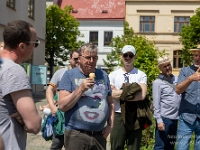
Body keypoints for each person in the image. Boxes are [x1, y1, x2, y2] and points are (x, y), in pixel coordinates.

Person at [58, 43, 114, 150]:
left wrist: (110, 125)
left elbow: (110, 102)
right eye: (88, 57)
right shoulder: (69, 75)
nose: (92, 61)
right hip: (76, 135)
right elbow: (62, 106)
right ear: (79, 59)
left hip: (99, 135)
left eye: (95, 58)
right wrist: (80, 89)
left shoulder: (103, 75)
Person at [0, 20, 41, 150]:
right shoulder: (14, 70)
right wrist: (25, 117)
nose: (35, 48)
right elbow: (34, 125)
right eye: (35, 44)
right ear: (22, 46)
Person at [108, 45, 147, 150]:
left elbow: (142, 95)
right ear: (121, 56)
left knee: (134, 148)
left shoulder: (141, 74)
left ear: (134, 57)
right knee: (116, 147)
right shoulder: (113, 75)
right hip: (118, 115)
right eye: (125, 55)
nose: (128, 58)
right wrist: (132, 92)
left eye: (131, 55)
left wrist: (119, 93)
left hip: (135, 115)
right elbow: (111, 94)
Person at [42, 50, 79, 150]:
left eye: (80, 58)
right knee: (57, 144)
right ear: (70, 59)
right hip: (61, 115)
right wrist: (53, 107)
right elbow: (49, 90)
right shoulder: (61, 73)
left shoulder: (83, 74)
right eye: (75, 59)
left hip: (76, 116)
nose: (78, 61)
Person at [153, 56, 181, 150]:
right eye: (164, 66)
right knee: (160, 146)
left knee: (170, 146)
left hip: (175, 119)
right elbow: (156, 104)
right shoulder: (157, 82)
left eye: (168, 65)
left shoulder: (177, 79)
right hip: (164, 119)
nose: (168, 68)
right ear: (160, 69)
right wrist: (159, 121)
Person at [176, 48, 200, 150]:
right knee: (182, 147)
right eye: (195, 55)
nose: (197, 58)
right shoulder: (184, 71)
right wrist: (191, 78)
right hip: (187, 118)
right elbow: (178, 90)